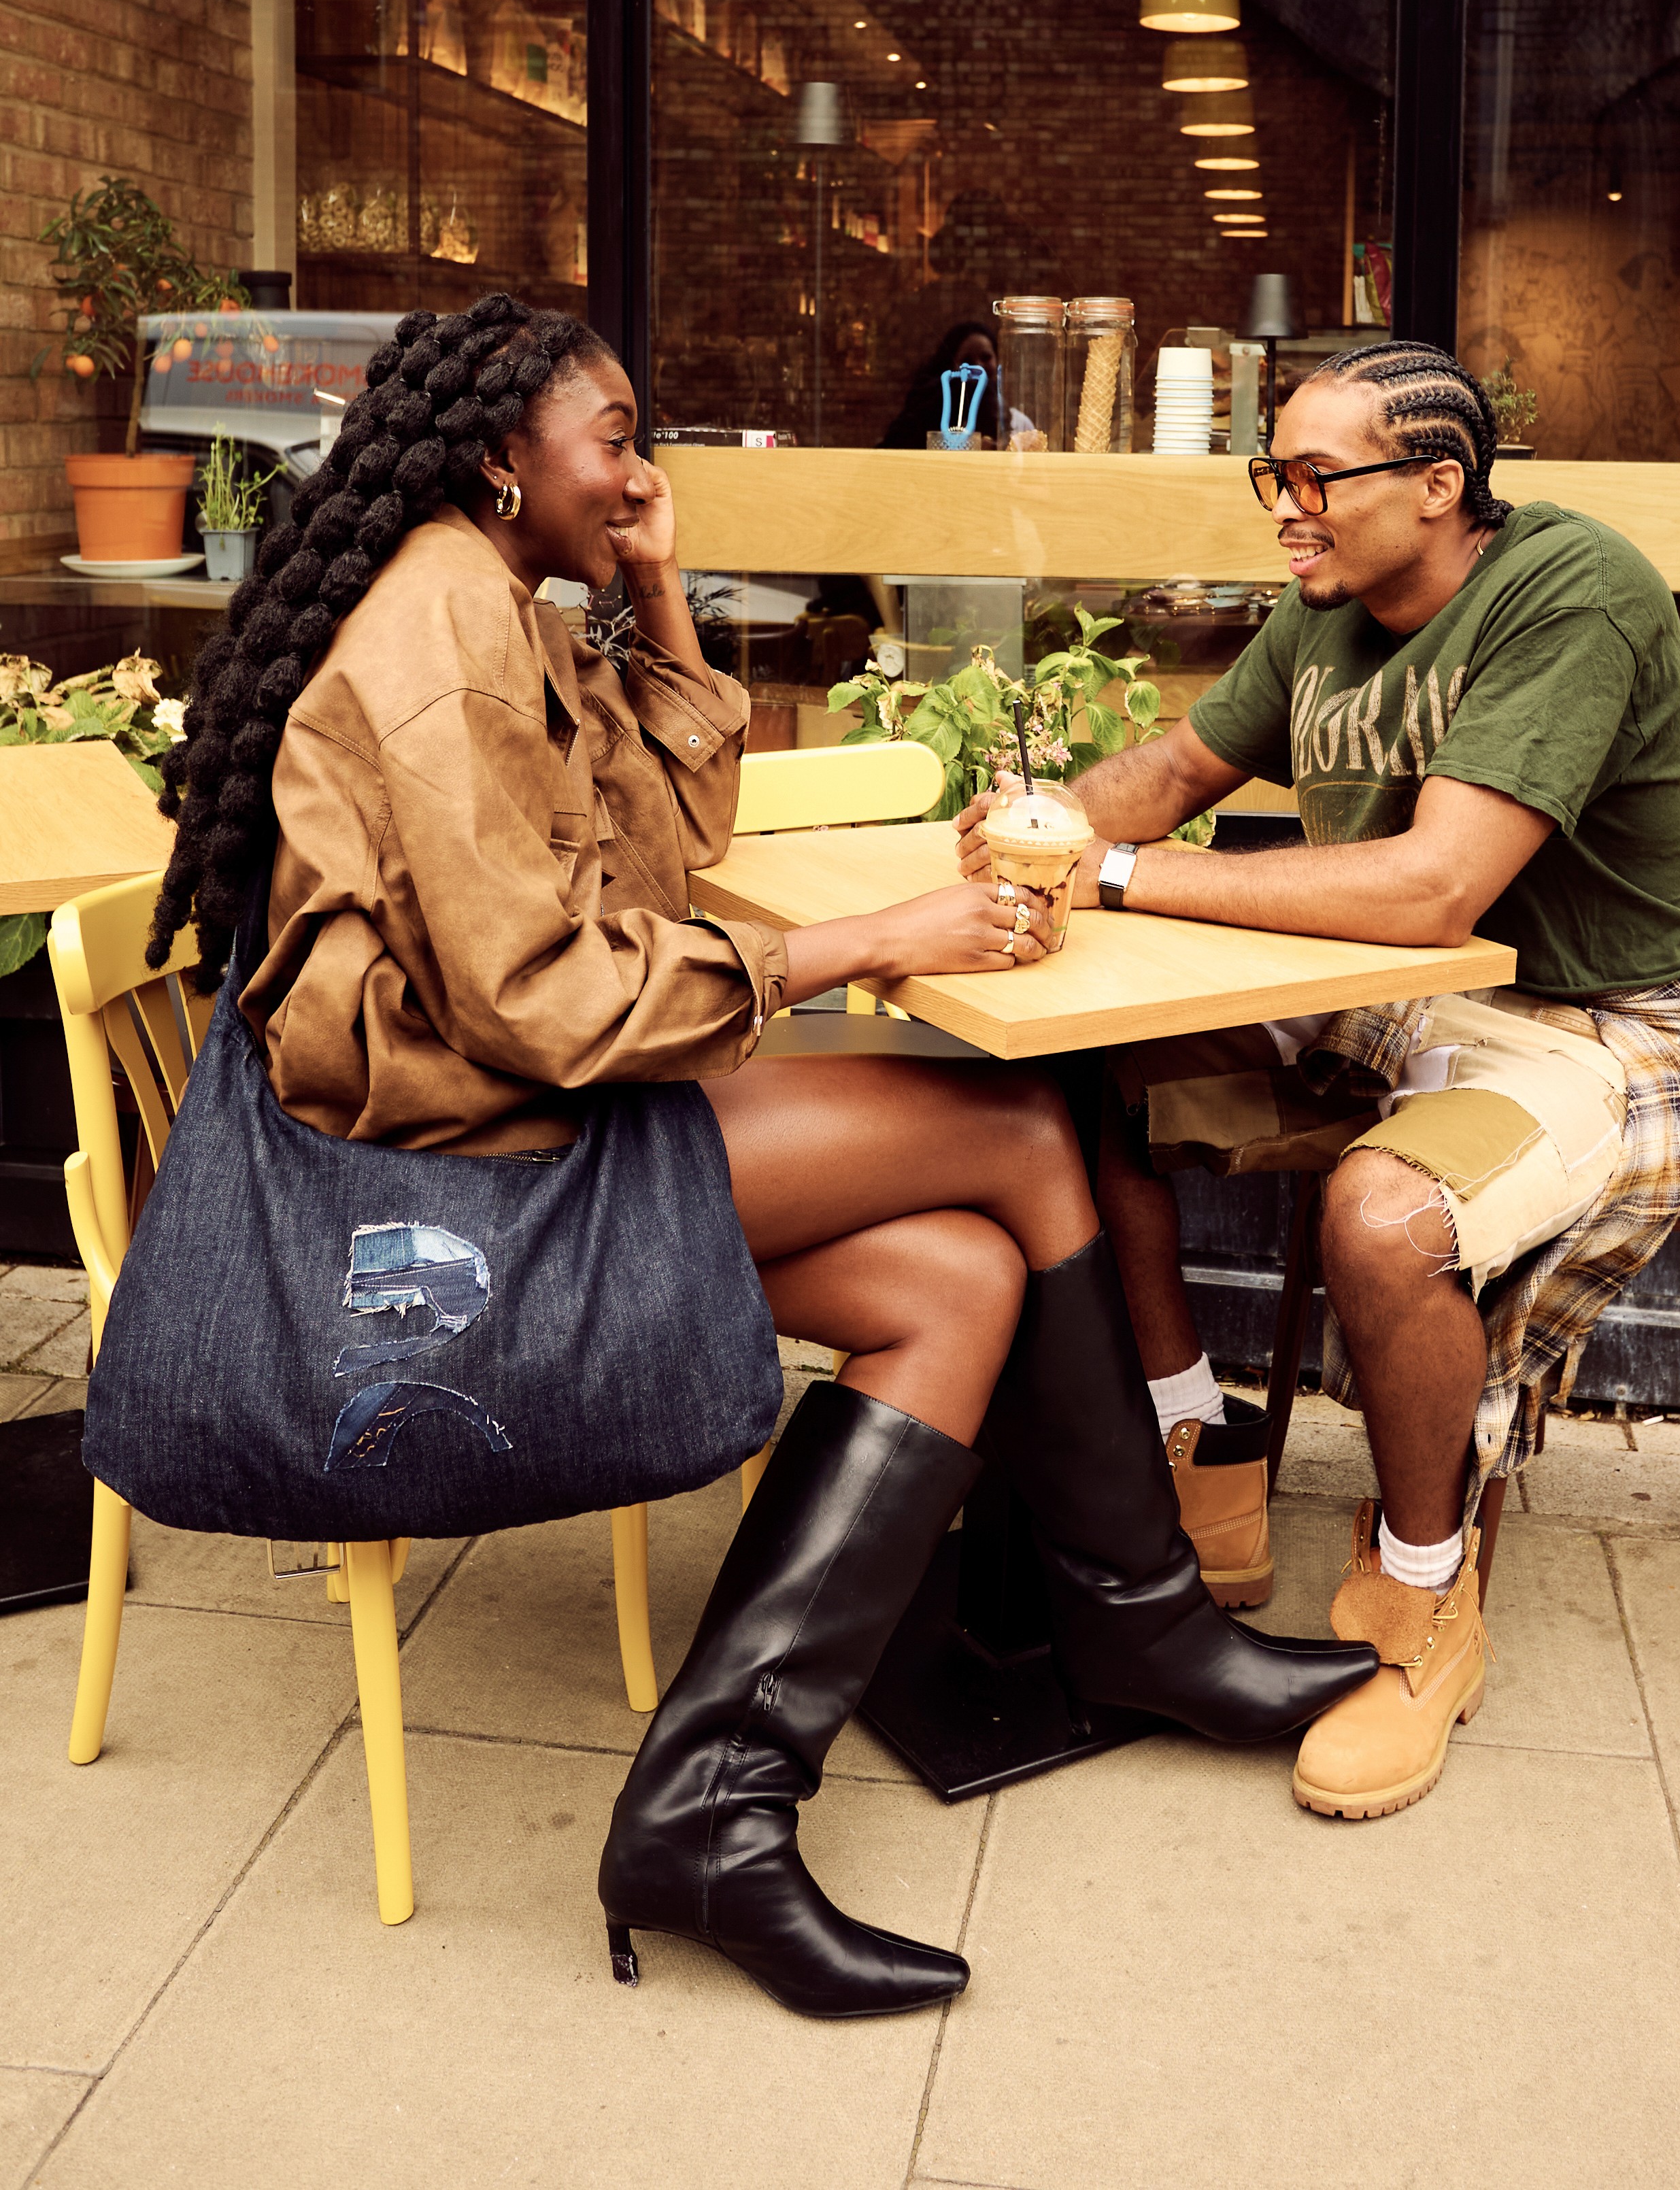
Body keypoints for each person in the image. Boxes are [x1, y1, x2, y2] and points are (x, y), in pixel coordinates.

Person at [149, 292, 1371, 2021]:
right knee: (1021, 1126)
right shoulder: (444, 634)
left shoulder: (503, 600)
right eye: (615, 441)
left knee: (954, 1275)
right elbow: (539, 1001)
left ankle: (715, 1811)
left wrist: (653, 588)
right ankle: (1141, 1625)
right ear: (500, 457)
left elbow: (668, 843)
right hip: (468, 1181)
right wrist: (873, 941)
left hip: (519, 1119)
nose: (641, 471)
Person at [958, 338, 1680, 1824]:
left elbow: (1435, 887)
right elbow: (1172, 774)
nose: (1284, 506)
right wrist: (1040, 824)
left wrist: (1112, 874)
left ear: (1440, 483)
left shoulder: (1570, 592)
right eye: (1274, 472)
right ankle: (1196, 1450)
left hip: (1607, 1027)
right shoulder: (1326, 610)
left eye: (1317, 477)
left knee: (1384, 1218)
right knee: (1079, 1069)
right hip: (1392, 998)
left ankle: (1420, 1592)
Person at [878, 320, 998, 448]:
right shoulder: (930, 404)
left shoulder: (1004, 409)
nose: (978, 366)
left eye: (986, 358)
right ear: (951, 365)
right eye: (967, 361)